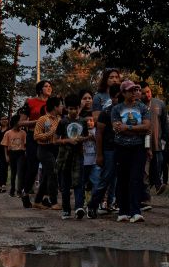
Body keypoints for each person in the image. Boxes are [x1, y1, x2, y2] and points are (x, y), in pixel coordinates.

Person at [111, 80, 151, 223]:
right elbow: (116, 128)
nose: (134, 93)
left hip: (138, 148)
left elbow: (146, 126)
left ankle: (136, 211)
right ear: (123, 93)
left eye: (135, 90)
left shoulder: (142, 108)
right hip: (121, 148)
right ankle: (123, 210)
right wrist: (136, 129)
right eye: (130, 90)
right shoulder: (116, 109)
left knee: (136, 178)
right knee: (122, 179)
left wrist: (127, 128)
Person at [87, 83, 121, 219]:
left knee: (121, 179)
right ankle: (93, 204)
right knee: (106, 178)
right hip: (109, 150)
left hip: (123, 148)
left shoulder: (127, 111)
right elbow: (99, 134)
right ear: (112, 97)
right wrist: (99, 155)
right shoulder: (106, 113)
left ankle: (119, 205)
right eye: (118, 97)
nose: (121, 100)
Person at [18, 80, 53, 208]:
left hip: (49, 138)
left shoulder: (52, 103)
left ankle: (43, 197)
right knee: (33, 167)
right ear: (40, 89)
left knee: (48, 168)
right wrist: (38, 122)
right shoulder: (30, 102)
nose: (49, 88)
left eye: (50, 86)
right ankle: (25, 192)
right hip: (33, 137)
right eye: (46, 86)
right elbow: (21, 123)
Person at [55, 93, 90, 220]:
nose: (73, 111)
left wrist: (84, 138)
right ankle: (66, 209)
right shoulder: (63, 122)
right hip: (64, 156)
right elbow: (55, 140)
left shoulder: (82, 122)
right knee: (65, 184)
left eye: (75, 108)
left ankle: (79, 207)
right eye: (71, 109)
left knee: (79, 182)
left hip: (78, 156)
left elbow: (86, 137)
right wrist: (67, 141)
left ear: (78, 108)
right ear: (66, 108)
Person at [141, 82, 169, 195]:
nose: (147, 95)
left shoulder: (159, 103)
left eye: (148, 91)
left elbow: (167, 123)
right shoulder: (138, 106)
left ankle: (156, 185)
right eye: (143, 93)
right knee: (145, 169)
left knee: (159, 163)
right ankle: (146, 194)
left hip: (157, 142)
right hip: (143, 144)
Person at [32, 96, 63, 210]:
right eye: (60, 105)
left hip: (55, 149)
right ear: (55, 107)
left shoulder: (60, 119)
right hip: (44, 149)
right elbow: (36, 136)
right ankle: (54, 202)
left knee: (46, 176)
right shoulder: (43, 119)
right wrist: (50, 133)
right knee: (53, 174)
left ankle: (37, 201)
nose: (62, 107)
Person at [1, 114, 26, 197]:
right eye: (20, 121)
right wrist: (6, 156)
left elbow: (25, 145)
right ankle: (12, 190)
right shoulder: (8, 133)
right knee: (13, 173)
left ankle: (19, 190)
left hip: (21, 154)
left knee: (20, 172)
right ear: (15, 122)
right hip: (12, 154)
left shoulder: (23, 133)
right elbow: (5, 145)